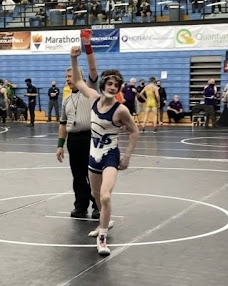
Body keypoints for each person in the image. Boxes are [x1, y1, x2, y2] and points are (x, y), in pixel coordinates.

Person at [70, 36, 139, 255]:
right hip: (93, 154)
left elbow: (135, 131)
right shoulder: (92, 97)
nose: (112, 87)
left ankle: (102, 237)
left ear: (119, 88)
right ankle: (104, 222)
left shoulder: (121, 110)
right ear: (103, 85)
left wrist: (126, 156)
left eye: (116, 85)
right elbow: (79, 81)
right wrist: (73, 58)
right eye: (109, 83)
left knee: (106, 195)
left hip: (110, 154)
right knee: (95, 192)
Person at [56, 30, 100, 220]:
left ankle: (97, 205)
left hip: (90, 137)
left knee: (93, 175)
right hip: (74, 140)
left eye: (71, 77)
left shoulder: (90, 90)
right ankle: (80, 205)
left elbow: (92, 69)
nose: (68, 79)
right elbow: (63, 124)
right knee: (78, 175)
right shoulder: (65, 99)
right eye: (66, 78)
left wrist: (85, 48)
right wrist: (60, 145)